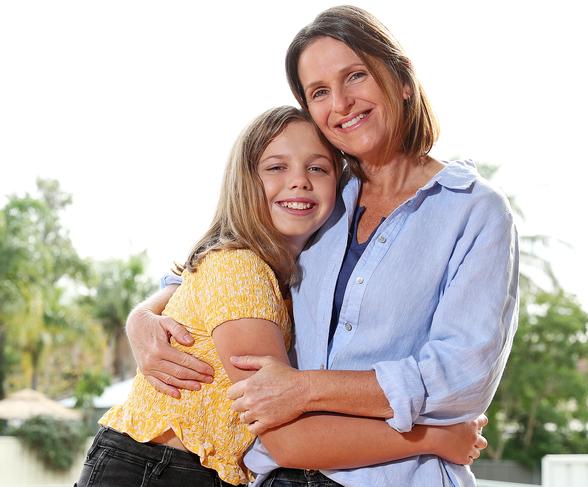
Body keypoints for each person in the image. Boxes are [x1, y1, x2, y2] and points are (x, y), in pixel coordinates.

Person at [127, 6, 518, 487]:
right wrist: (141, 316)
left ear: (401, 80)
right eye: (319, 92)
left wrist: (303, 388)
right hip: (279, 476)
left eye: (355, 76)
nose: (342, 103)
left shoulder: (475, 211)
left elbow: (461, 379)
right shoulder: (319, 195)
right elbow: (215, 267)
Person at [76, 106, 486, 487]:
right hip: (156, 470)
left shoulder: (290, 278)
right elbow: (289, 442)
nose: (299, 181)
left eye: (318, 168)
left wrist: (142, 313)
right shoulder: (241, 271)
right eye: (276, 167)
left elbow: (176, 284)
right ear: (246, 181)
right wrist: (435, 439)